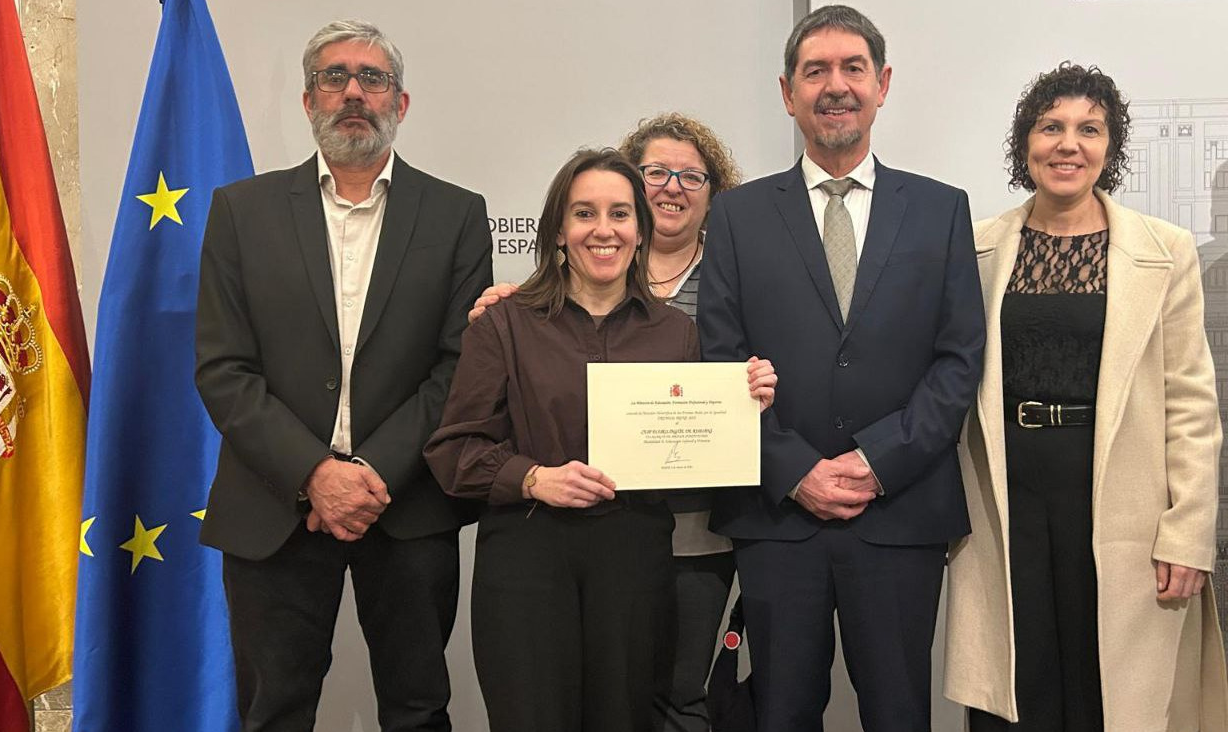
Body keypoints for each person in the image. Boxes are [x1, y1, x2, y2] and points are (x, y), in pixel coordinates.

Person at [194, 19, 492, 731]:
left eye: (372, 78)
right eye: (335, 77)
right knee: (273, 712)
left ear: (402, 101)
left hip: (407, 503)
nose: (353, 92)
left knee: (419, 709)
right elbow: (222, 366)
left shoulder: (456, 214)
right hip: (273, 506)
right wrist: (315, 475)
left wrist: (370, 473)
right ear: (307, 101)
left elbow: (459, 366)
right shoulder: (241, 211)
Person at [695, 5, 986, 730]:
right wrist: (796, 470)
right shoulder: (736, 215)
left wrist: (877, 461)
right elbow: (720, 362)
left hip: (899, 512)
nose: (836, 85)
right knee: (781, 712)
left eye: (853, 68)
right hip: (777, 517)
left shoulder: (941, 210)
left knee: (898, 713)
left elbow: (957, 361)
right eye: (815, 70)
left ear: (883, 84)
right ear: (787, 91)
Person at [424, 147, 776, 732]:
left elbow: (701, 450)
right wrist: (535, 478)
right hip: (526, 561)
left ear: (640, 230)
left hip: (634, 566)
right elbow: (453, 452)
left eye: (619, 214)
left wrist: (746, 399)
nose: (603, 229)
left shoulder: (678, 333)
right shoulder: (504, 324)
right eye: (584, 213)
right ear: (559, 230)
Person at [943, 62, 1228, 731]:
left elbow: (1191, 401)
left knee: (1110, 693)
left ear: (1110, 146)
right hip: (1005, 499)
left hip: (1119, 504)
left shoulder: (1166, 250)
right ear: (1026, 145)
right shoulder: (975, 247)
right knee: (1019, 684)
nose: (1068, 144)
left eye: (1089, 129)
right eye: (1052, 127)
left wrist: (1188, 533)